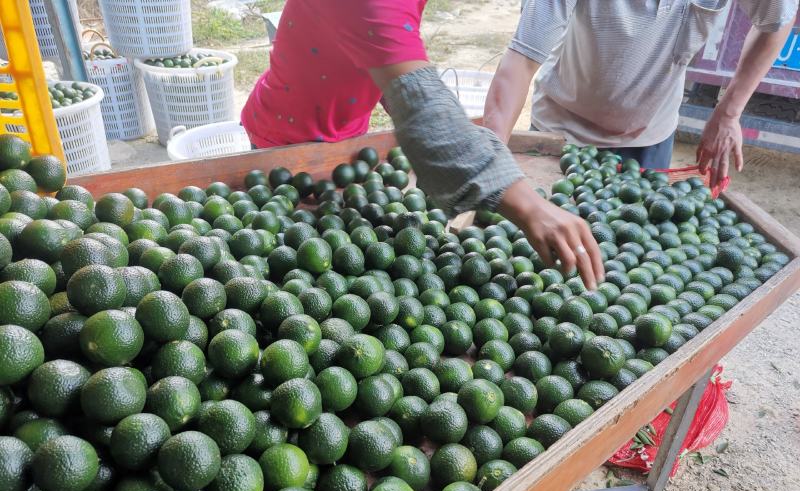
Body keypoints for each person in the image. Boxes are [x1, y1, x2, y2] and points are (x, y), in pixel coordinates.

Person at [241, 0, 605, 289]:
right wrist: (531, 208)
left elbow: (389, 64)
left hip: (345, 134)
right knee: (292, 249)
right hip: (283, 141)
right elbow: (423, 108)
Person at [484, 0, 798, 185]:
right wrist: (492, 164)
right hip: (561, 128)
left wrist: (729, 112)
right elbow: (520, 62)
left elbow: (777, 20)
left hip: (650, 136)